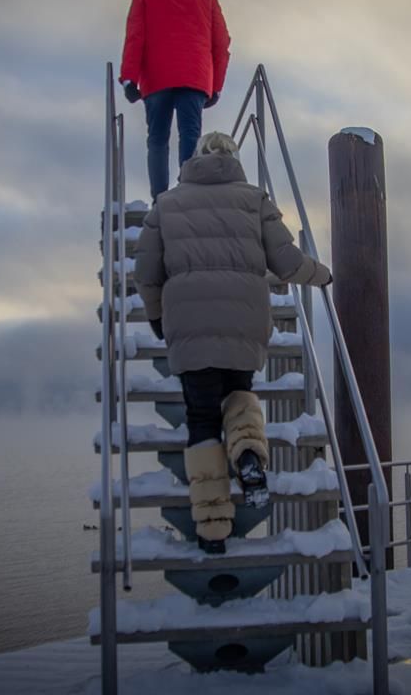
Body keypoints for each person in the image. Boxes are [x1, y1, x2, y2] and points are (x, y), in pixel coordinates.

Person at [133, 132, 331, 554]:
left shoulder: (166, 204)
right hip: (243, 321)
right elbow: (288, 263)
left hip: (187, 324)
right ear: (234, 159)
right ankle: (247, 455)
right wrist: (323, 275)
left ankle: (212, 529)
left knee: (202, 420)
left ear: (196, 159)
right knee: (240, 394)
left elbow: (146, 272)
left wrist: (156, 317)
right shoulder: (254, 199)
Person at [120, 0, 231, 202]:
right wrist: (217, 85)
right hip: (195, 76)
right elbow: (221, 43)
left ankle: (160, 200)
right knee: (190, 134)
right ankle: (189, 192)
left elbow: (135, 36)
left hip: (156, 76)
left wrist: (129, 78)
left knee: (158, 138)